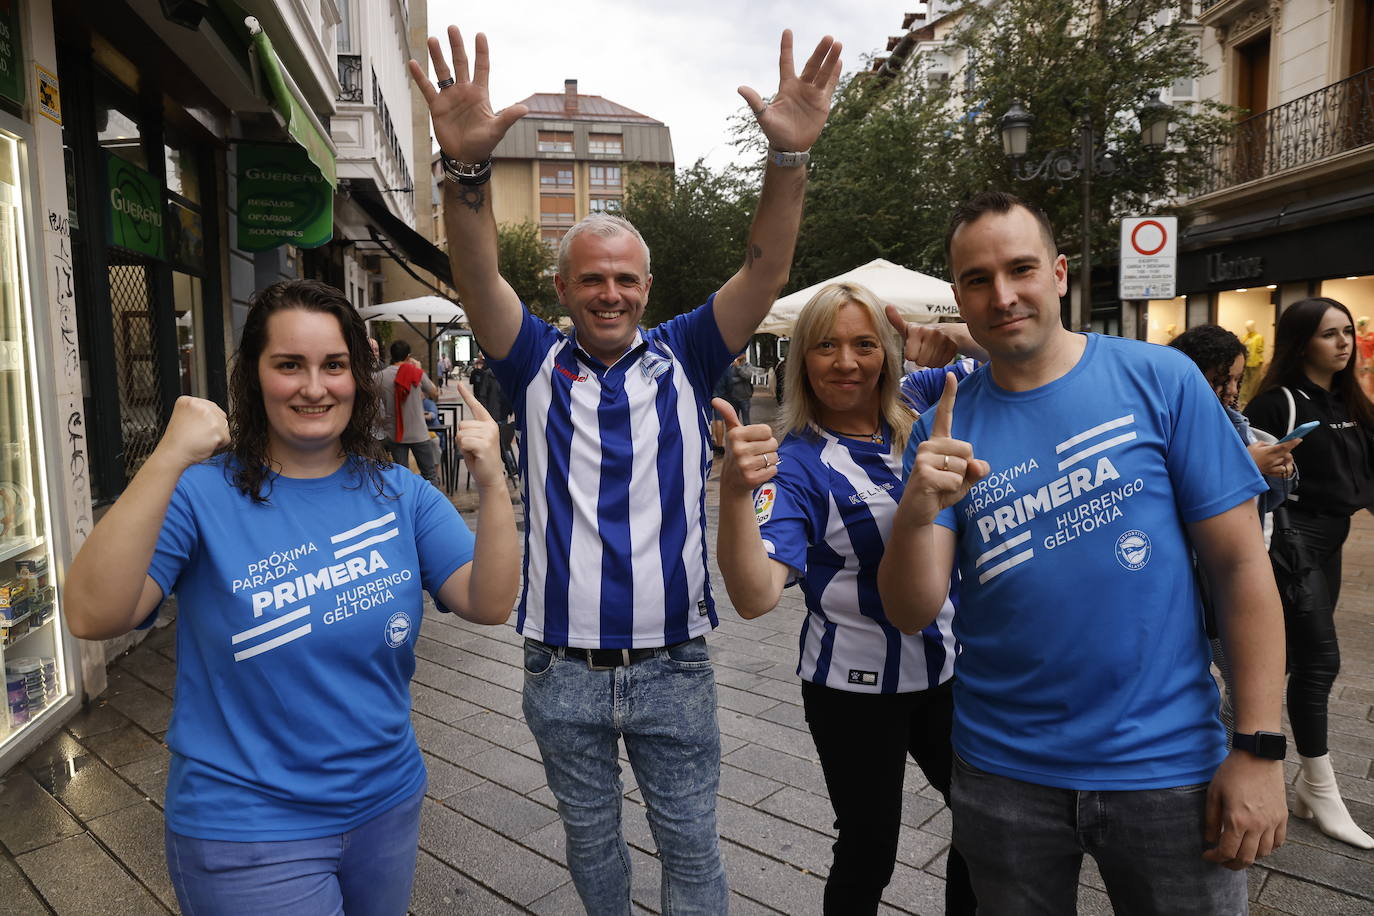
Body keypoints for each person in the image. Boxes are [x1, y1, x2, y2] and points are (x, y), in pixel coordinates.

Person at [411, 24, 840, 913]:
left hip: (673, 663)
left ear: (647, 288)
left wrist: (789, 158)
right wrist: (465, 175)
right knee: (590, 847)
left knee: (693, 849)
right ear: (564, 290)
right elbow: (477, 269)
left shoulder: (688, 352)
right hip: (557, 667)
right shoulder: (530, 360)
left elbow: (767, 266)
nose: (611, 294)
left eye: (627, 280)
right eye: (592, 280)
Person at [877, 191, 1288, 914]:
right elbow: (911, 611)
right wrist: (915, 513)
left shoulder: (1159, 380)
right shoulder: (945, 426)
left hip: (1168, 769)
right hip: (1003, 774)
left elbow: (1240, 566)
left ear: (1059, 274)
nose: (1002, 294)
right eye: (978, 279)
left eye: (1021, 268)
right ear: (958, 298)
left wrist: (1258, 747)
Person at [60, 279, 520, 915]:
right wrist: (167, 456)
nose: (313, 386)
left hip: (385, 805)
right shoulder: (200, 495)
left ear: (357, 376)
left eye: (333, 365)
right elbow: (92, 612)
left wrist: (494, 481)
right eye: (289, 365)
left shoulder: (400, 494)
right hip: (245, 823)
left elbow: (490, 600)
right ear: (254, 375)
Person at [714, 281, 977, 914]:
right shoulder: (796, 464)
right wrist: (731, 496)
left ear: (887, 352)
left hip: (950, 671)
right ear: (801, 358)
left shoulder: (918, 406)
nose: (846, 361)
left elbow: (1021, 356)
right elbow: (754, 597)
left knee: (986, 826)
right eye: (826, 345)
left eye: (865, 344)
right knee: (870, 843)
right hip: (853, 690)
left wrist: (951, 338)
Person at [1244, 297, 1374, 849]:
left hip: (1332, 539)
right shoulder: (1278, 403)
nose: (1343, 342)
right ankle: (1319, 788)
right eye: (1329, 334)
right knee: (1321, 662)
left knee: (1308, 661)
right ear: (1302, 343)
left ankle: (1308, 787)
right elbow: (1245, 471)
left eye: (1347, 332)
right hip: (1293, 541)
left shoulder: (1348, 398)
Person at [1168, 324, 1300, 740]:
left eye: (1237, 378)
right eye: (1220, 377)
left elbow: (1271, 499)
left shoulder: (1237, 423)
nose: (1230, 388)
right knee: (1228, 678)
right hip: (1193, 580)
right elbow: (1171, 496)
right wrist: (1248, 466)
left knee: (1251, 682)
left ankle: (1223, 751)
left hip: (1230, 575)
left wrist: (1282, 468)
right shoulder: (1167, 417)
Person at [377, 339, 440, 484]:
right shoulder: (416, 373)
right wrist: (418, 367)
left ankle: (405, 506)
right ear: (408, 356)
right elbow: (434, 393)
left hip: (395, 433)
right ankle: (432, 506)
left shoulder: (380, 376)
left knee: (401, 478)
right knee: (430, 475)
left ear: (391, 355)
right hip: (419, 433)